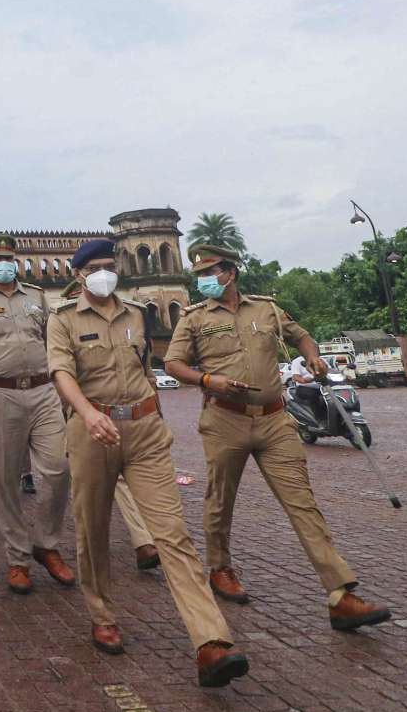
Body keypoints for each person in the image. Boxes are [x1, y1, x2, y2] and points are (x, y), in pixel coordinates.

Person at [47, 239, 249, 687]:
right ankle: (101, 613)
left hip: (143, 431)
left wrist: (156, 417)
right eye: (95, 268)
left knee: (171, 533)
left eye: (109, 266)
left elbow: (144, 368)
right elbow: (62, 373)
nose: (105, 274)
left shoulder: (138, 313)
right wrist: (87, 413)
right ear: (78, 274)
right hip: (92, 430)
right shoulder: (61, 321)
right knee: (92, 530)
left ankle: (211, 640)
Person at [165, 244, 390, 631]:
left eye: (209, 271)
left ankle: (340, 594)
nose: (203, 279)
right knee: (220, 501)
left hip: (274, 421)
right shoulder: (194, 318)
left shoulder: (266, 308)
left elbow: (303, 337)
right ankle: (220, 567)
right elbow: (172, 363)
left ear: (229, 273)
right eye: (199, 273)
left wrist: (314, 356)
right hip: (224, 420)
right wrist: (207, 380)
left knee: (302, 504)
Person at [0, 234, 75, 595]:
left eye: (9, 257)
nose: (4, 263)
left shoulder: (37, 296)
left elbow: (55, 342)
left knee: (58, 468)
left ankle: (46, 543)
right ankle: (19, 559)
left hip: (42, 390)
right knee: (5, 480)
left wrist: (64, 386)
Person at [59, 279, 159, 570]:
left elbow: (145, 370)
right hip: (78, 420)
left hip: (119, 419)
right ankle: (89, 557)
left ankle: (143, 542)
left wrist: (155, 414)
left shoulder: (129, 322)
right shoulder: (61, 328)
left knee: (121, 480)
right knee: (81, 488)